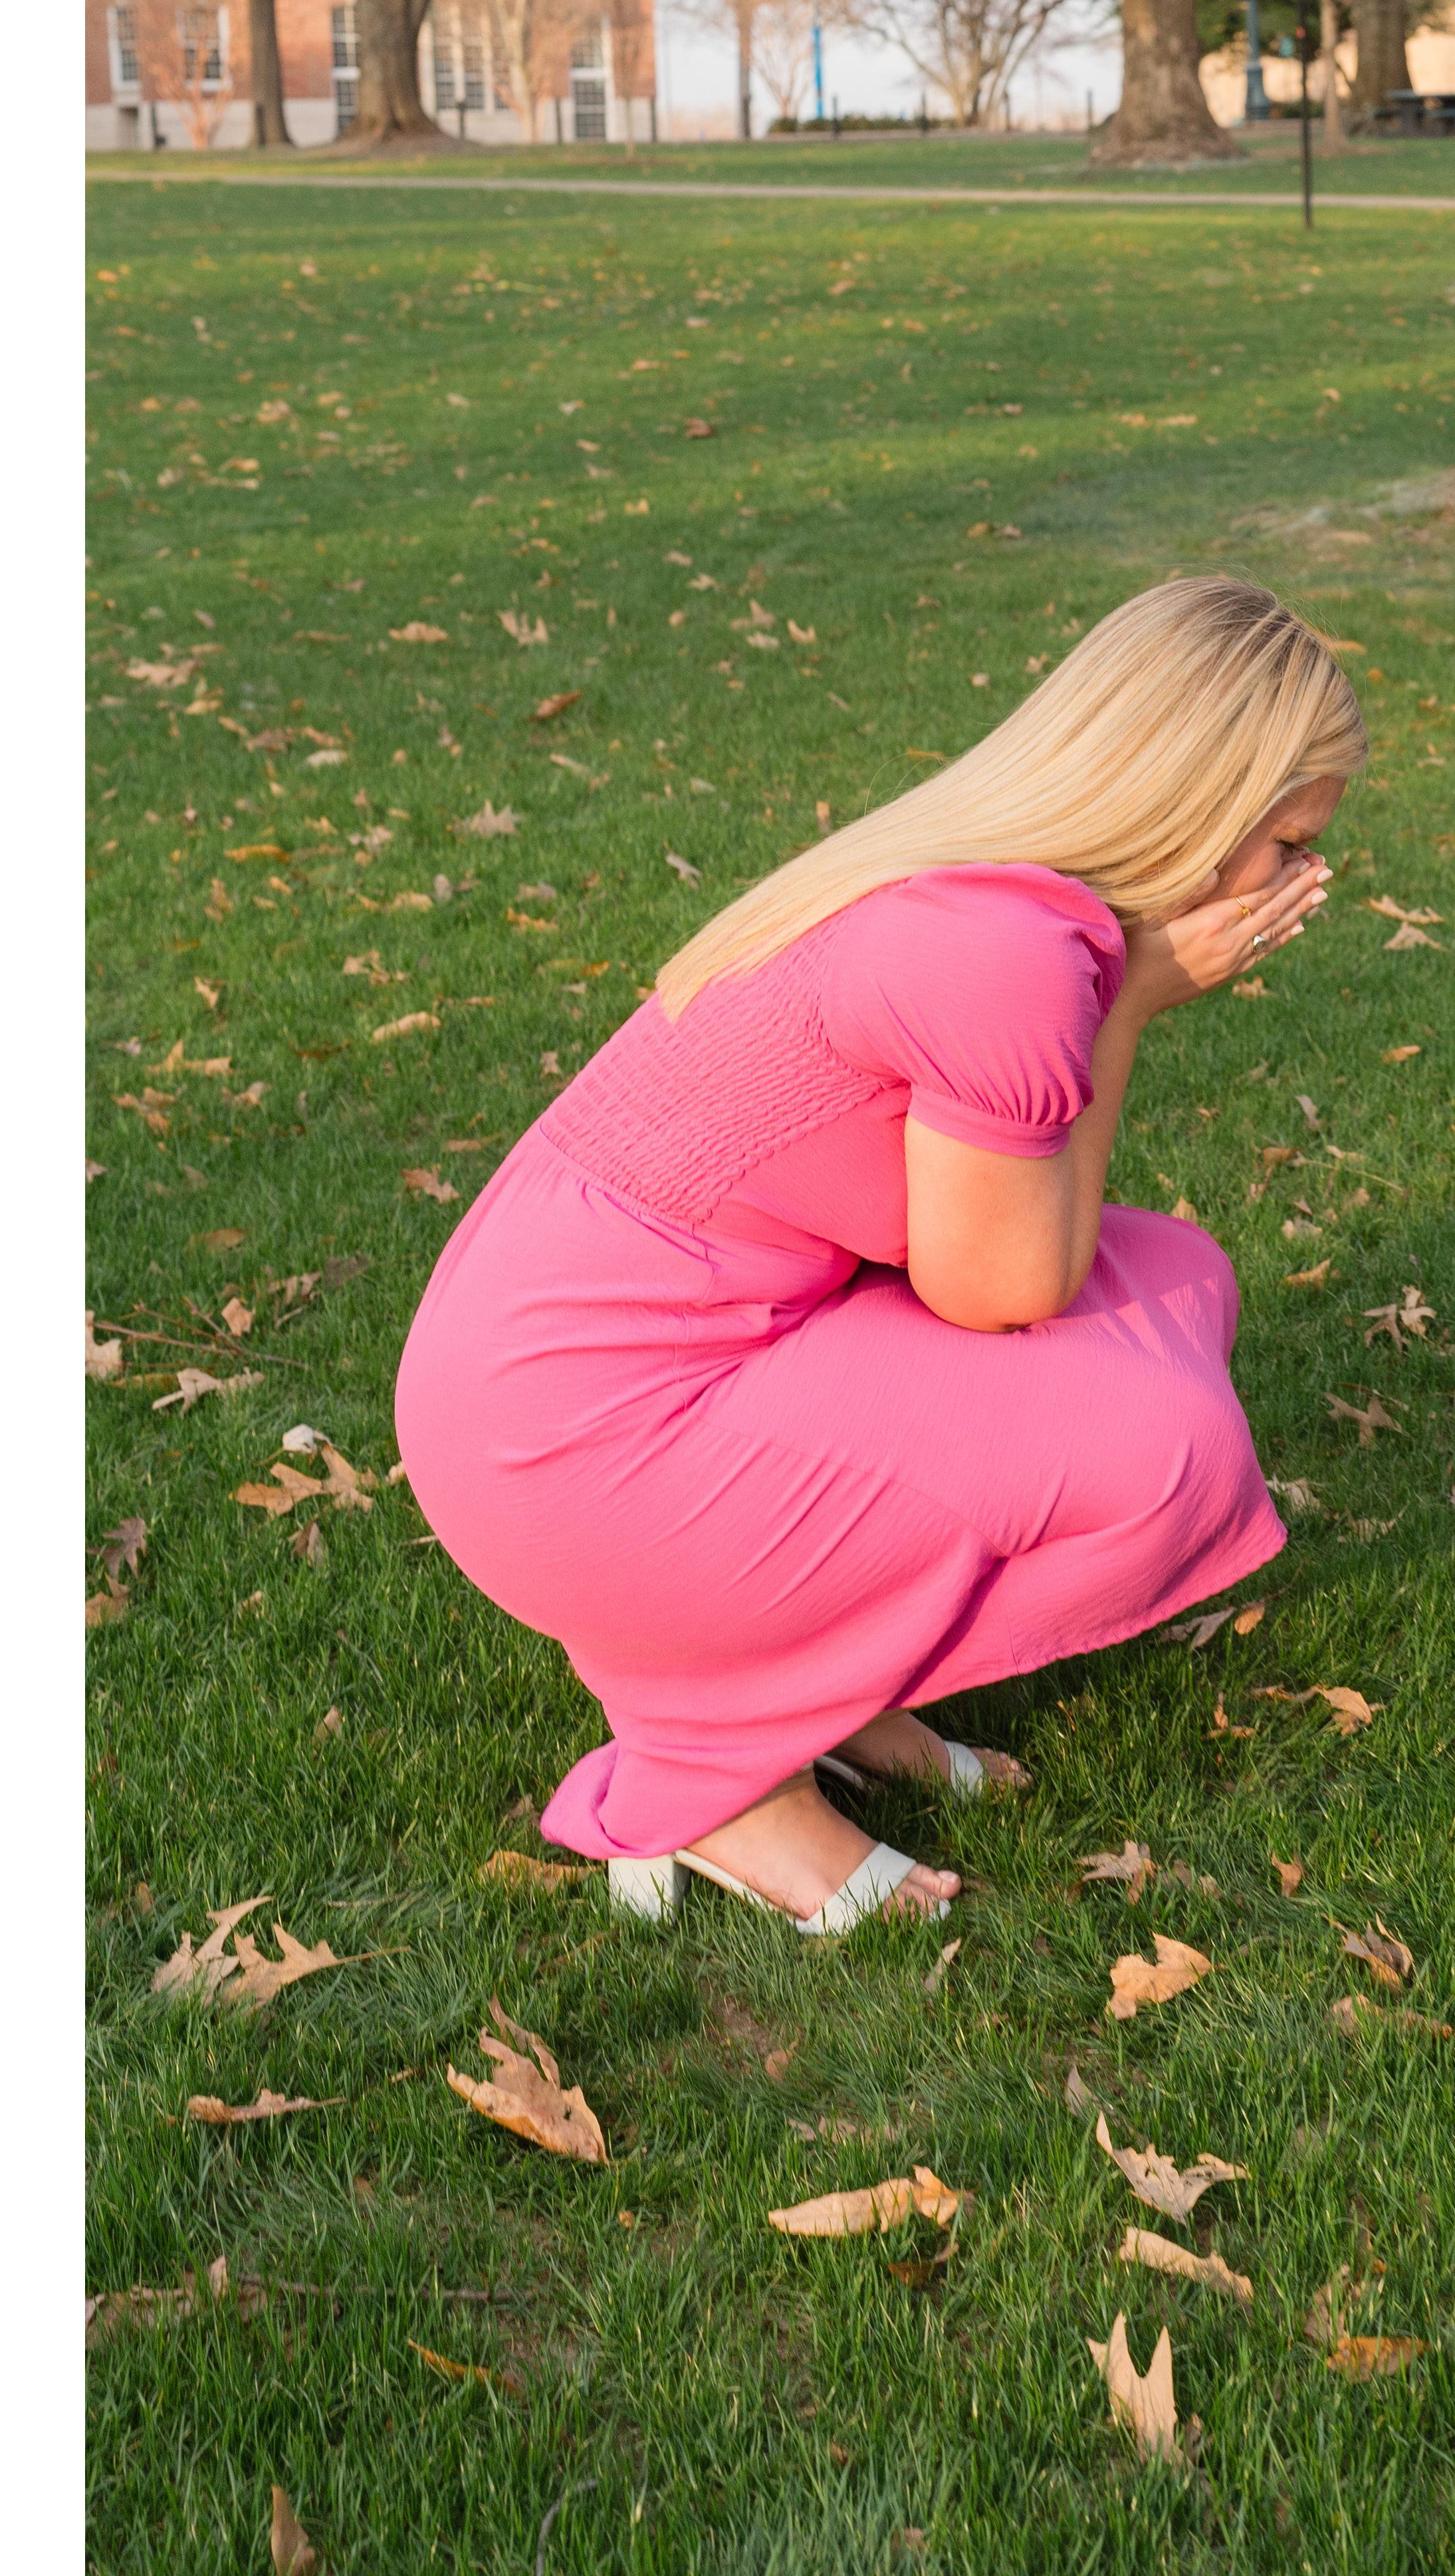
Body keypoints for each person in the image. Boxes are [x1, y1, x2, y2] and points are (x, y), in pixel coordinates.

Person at [395, 574, 1352, 1940]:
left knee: (1177, 1279)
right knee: (1169, 1448)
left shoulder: (965, 880)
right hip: (576, 1451)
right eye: (1292, 844)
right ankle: (720, 1781)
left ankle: (826, 1687)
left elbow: (1019, 1245)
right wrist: (1136, 1002)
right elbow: (1008, 1288)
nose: (1303, 884)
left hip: (552, 1381)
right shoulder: (1007, 953)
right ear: (1199, 812)